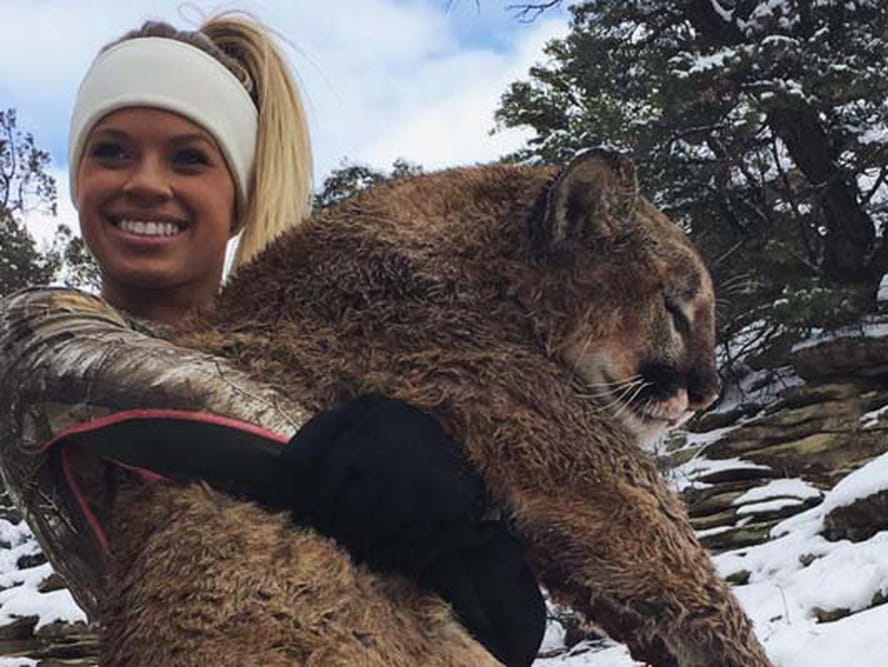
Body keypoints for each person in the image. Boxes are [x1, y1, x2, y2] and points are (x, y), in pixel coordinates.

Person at [2, 13, 544, 665]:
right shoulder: (35, 341)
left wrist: (472, 547)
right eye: (111, 149)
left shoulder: (351, 364)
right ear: (78, 176)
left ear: (240, 193)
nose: (145, 180)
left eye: (189, 157)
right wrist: (378, 462)